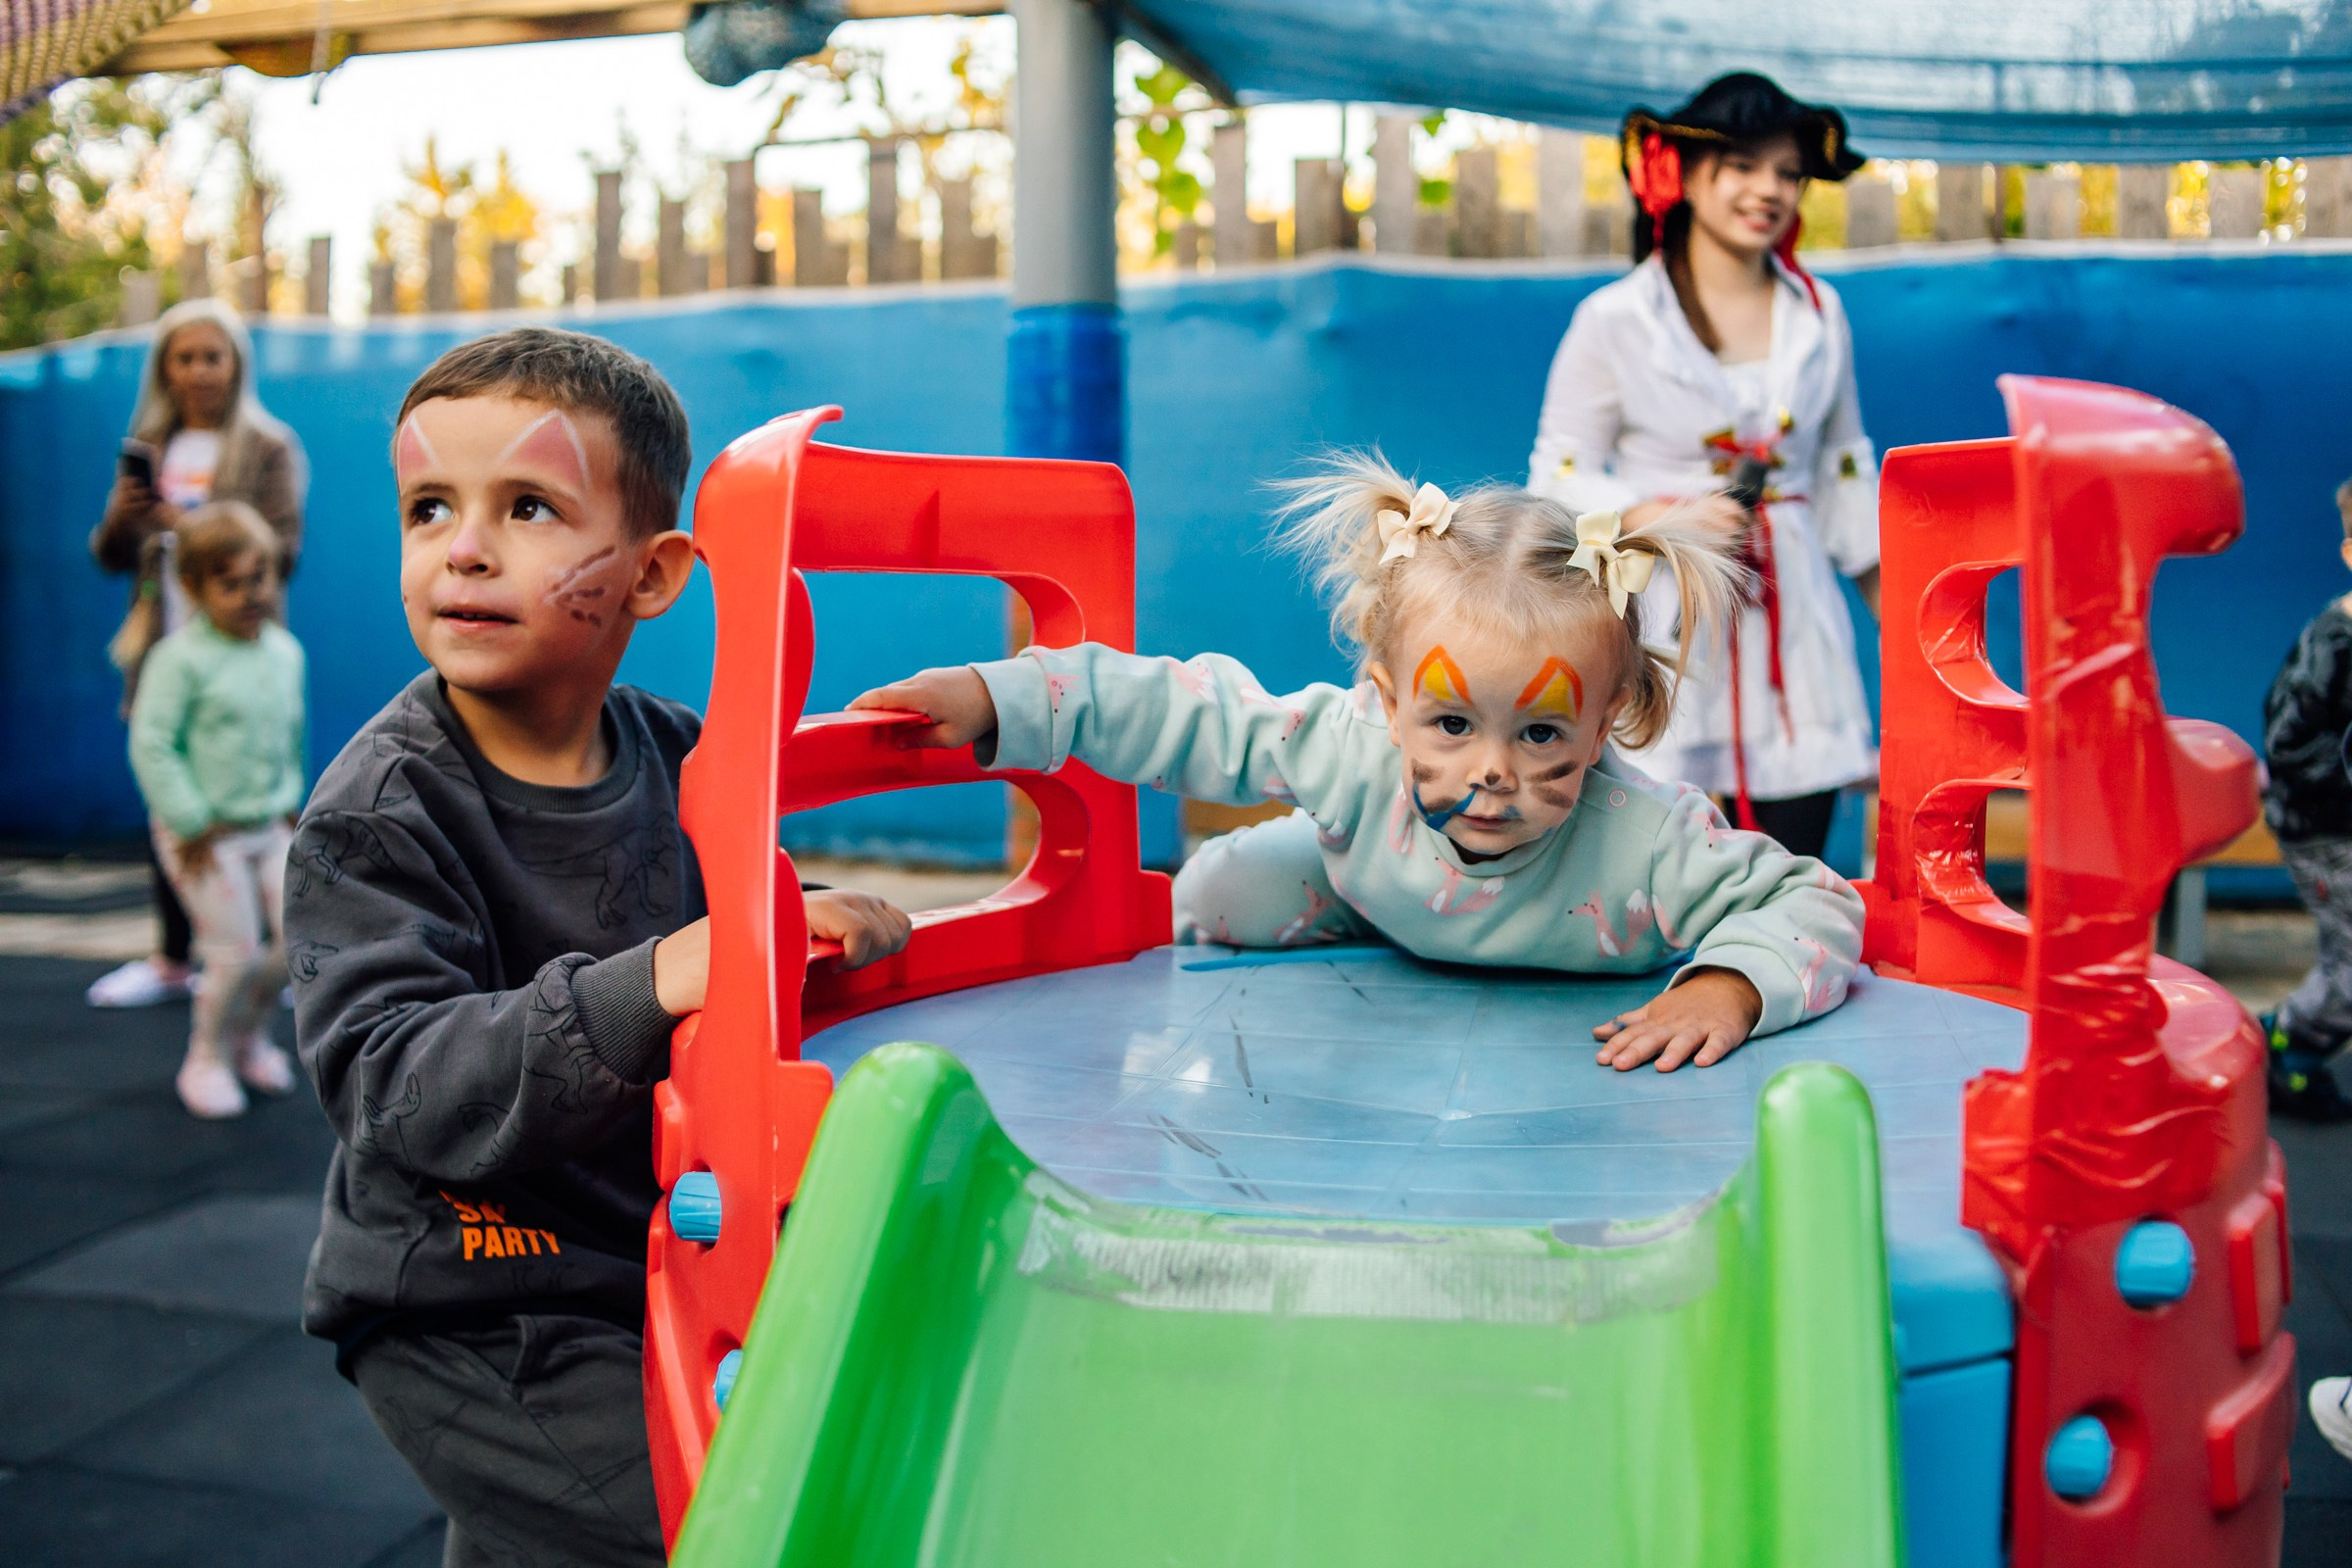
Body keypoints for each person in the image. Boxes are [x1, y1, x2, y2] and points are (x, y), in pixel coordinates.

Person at [286, 327, 912, 1567]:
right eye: (427, 509)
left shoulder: (677, 753)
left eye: (525, 506)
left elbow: (728, 895)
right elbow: (392, 1084)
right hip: (475, 1303)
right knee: (713, 1525)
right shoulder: (380, 814)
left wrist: (817, 912)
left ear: (654, 573)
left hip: (643, 1255)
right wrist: (657, 977)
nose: (462, 546)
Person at [856, 458, 1865, 1073]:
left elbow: (1818, 902)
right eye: (1452, 724)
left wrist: (1730, 983)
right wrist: (1004, 698)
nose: (1494, 772)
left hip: (1546, 933)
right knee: (1224, 882)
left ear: (1611, 722)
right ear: (1388, 702)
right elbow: (1181, 708)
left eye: (1544, 734)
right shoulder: (1349, 745)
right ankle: (1277, 899)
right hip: (1371, 889)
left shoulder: (1648, 842)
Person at [1528, 72, 1880, 858]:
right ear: (1681, 173)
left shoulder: (1820, 315)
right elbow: (1553, 478)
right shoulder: (1615, 320)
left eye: (1787, 172)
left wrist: (1904, 617)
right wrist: (1659, 516)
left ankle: (1782, 969)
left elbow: (1843, 472)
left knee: (1797, 857)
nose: (1770, 190)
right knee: (1661, 843)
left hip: (1795, 622)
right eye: (1743, 166)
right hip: (1668, 610)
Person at [88, 298, 309, 1009]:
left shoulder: (268, 447)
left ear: (235, 363)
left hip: (237, 648)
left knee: (243, 788)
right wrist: (128, 515)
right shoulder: (150, 445)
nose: (198, 370)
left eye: (211, 355)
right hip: (162, 645)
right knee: (171, 789)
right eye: (183, 357)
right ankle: (172, 958)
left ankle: (245, 954)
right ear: (166, 369)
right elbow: (108, 556)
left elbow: (283, 552)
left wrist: (188, 526)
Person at [126, 502, 306, 1119]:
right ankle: (205, 1058)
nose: (251, 593)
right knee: (234, 954)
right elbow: (152, 744)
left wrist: (291, 803)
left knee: (298, 944)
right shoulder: (179, 660)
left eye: (259, 577)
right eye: (231, 583)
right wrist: (191, 821)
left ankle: (248, 1038)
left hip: (268, 824)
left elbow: (290, 735)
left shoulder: (284, 652)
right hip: (201, 834)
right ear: (195, 588)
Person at [2255, 477, 2352, 1121]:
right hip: (2325, 832)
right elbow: (2288, 742)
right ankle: (2283, 1037)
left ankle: (2294, 1039)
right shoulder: (2334, 645)